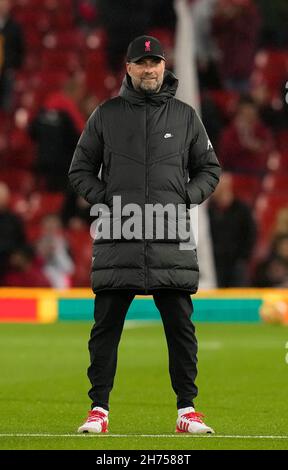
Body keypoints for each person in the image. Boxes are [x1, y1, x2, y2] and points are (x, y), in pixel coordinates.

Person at [69, 35, 221, 434]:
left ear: (163, 66)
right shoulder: (106, 115)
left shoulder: (186, 116)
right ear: (129, 68)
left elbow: (210, 169)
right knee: (105, 328)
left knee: (181, 329)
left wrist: (184, 197)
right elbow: (79, 170)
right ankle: (98, 411)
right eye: (143, 62)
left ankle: (187, 411)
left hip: (171, 239)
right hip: (119, 233)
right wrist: (107, 199)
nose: (150, 68)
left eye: (156, 62)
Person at [208, 173, 257, 286]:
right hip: (215, 262)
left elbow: (251, 234)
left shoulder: (242, 209)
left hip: (236, 263)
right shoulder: (209, 210)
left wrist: (243, 257)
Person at [0, 0, 25, 111]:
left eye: (4, 6)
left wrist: (13, 65)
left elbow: (20, 50)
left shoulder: (15, 27)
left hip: (7, 70)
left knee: (7, 105)